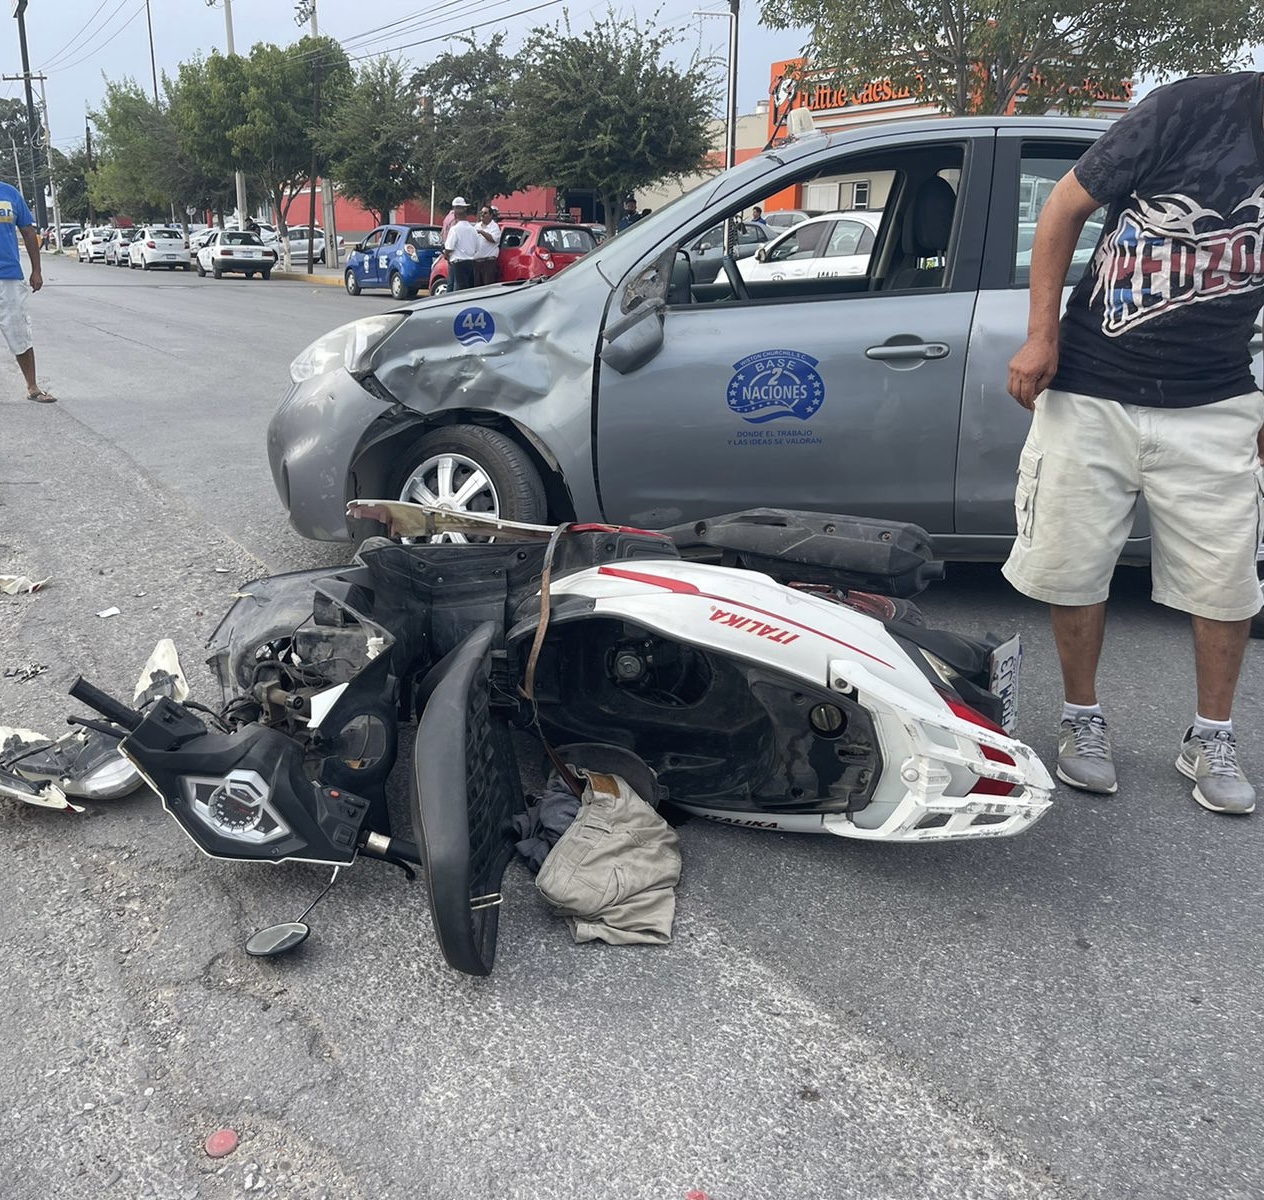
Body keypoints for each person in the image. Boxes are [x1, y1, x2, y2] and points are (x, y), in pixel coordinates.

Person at [1004, 71, 1264, 815]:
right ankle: (1080, 718)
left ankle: (1210, 736)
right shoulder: (1190, 108)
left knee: (1227, 581)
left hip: (1215, 395)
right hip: (1092, 384)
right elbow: (1063, 207)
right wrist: (1042, 335)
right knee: (1073, 564)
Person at [0, 179, 52, 403]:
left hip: (9, 276)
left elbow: (29, 233)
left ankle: (33, 387)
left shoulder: (10, 193)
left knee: (19, 331)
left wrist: (36, 270)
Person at [443, 207, 480, 292]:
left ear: (455, 216)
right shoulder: (473, 229)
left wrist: (446, 255)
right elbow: (477, 247)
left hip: (458, 262)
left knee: (457, 287)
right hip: (470, 262)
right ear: (466, 216)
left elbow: (449, 247)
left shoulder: (455, 229)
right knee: (468, 288)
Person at [473, 205, 501, 287]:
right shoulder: (477, 226)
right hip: (477, 262)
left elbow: (494, 239)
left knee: (488, 288)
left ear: (491, 215)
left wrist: (482, 232)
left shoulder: (494, 226)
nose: (482, 215)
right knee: (477, 288)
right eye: (481, 213)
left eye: (485, 213)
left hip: (488, 262)